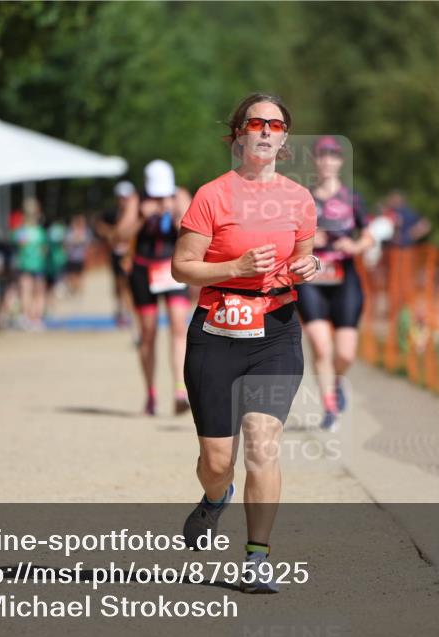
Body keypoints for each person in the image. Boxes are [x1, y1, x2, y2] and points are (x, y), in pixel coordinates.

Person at [171, 92, 319, 593]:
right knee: (216, 462)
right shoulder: (212, 195)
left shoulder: (299, 198)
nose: (265, 131)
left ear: (284, 138)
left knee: (262, 443)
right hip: (216, 331)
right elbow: (181, 266)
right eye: (255, 123)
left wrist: (309, 266)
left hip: (275, 333)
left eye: (276, 125)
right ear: (238, 135)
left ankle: (257, 557)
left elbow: (306, 257)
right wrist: (234, 268)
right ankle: (216, 500)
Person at [295, 136, 374, 431]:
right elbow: (290, 234)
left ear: (340, 161)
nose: (327, 161)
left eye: (333, 156)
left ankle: (337, 382)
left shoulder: (352, 199)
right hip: (312, 276)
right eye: (322, 155)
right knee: (320, 345)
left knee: (345, 354)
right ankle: (329, 406)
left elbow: (368, 235)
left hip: (344, 276)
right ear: (316, 161)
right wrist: (309, 239)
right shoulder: (304, 199)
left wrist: (355, 247)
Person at [115, 161, 193, 416]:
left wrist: (175, 215)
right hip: (143, 270)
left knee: (179, 327)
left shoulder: (180, 195)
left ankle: (180, 390)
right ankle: (150, 393)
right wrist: (141, 217)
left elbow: (194, 232)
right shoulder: (137, 199)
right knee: (148, 333)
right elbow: (119, 235)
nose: (160, 199)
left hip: (172, 269)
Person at [95, 181, 137, 327]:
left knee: (130, 285)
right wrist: (111, 234)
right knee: (118, 284)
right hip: (117, 254)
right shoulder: (111, 213)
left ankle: (130, 312)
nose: (123, 201)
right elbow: (99, 226)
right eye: (121, 198)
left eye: (126, 198)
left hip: (132, 255)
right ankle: (121, 311)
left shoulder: (137, 213)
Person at [13, 197, 48, 331]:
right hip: (36, 266)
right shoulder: (40, 232)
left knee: (26, 291)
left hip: (26, 266)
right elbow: (44, 250)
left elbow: (19, 247)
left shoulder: (21, 231)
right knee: (37, 292)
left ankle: (28, 318)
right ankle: (35, 318)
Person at [63, 212, 92, 295]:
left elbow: (87, 242)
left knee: (80, 274)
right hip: (71, 257)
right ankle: (74, 288)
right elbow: (67, 242)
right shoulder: (70, 231)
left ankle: (78, 289)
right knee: (71, 275)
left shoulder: (86, 231)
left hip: (81, 257)